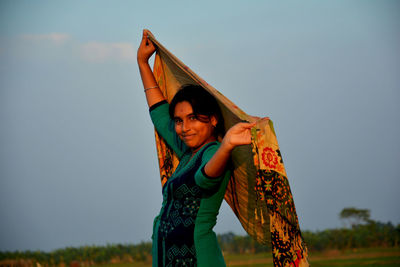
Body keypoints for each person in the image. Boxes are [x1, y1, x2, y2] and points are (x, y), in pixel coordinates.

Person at [137, 29, 255, 267]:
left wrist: (227, 145)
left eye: (193, 118)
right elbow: (160, 114)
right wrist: (142, 63)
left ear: (212, 119)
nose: (184, 127)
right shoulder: (188, 153)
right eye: (179, 121)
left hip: (197, 259)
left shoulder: (213, 152)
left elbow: (206, 178)